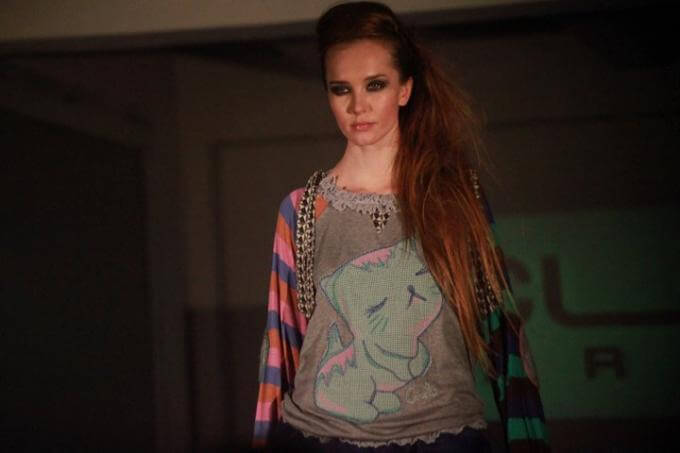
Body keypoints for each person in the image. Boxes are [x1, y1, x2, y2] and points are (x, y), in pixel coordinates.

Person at [253, 2, 548, 451]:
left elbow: (502, 331)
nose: (358, 106)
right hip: (321, 438)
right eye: (340, 89)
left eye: (375, 84)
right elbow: (280, 350)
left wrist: (529, 442)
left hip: (444, 437)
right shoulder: (303, 209)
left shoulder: (455, 197)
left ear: (405, 89)